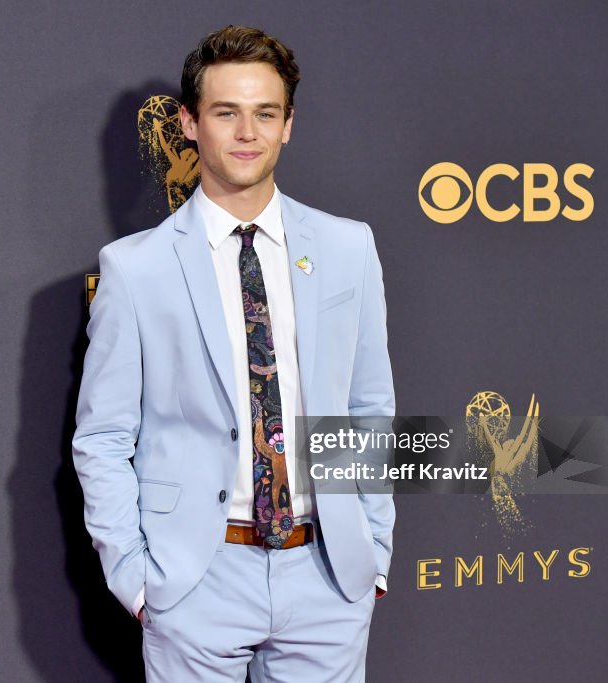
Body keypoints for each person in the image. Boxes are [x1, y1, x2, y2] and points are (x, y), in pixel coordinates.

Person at [73, 25, 395, 682]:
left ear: (288, 125)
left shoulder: (347, 248)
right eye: (226, 112)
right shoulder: (135, 270)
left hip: (329, 577)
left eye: (265, 113)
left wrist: (374, 551)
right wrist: (138, 581)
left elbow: (369, 407)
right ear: (190, 124)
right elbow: (103, 437)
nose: (247, 131)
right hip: (196, 579)